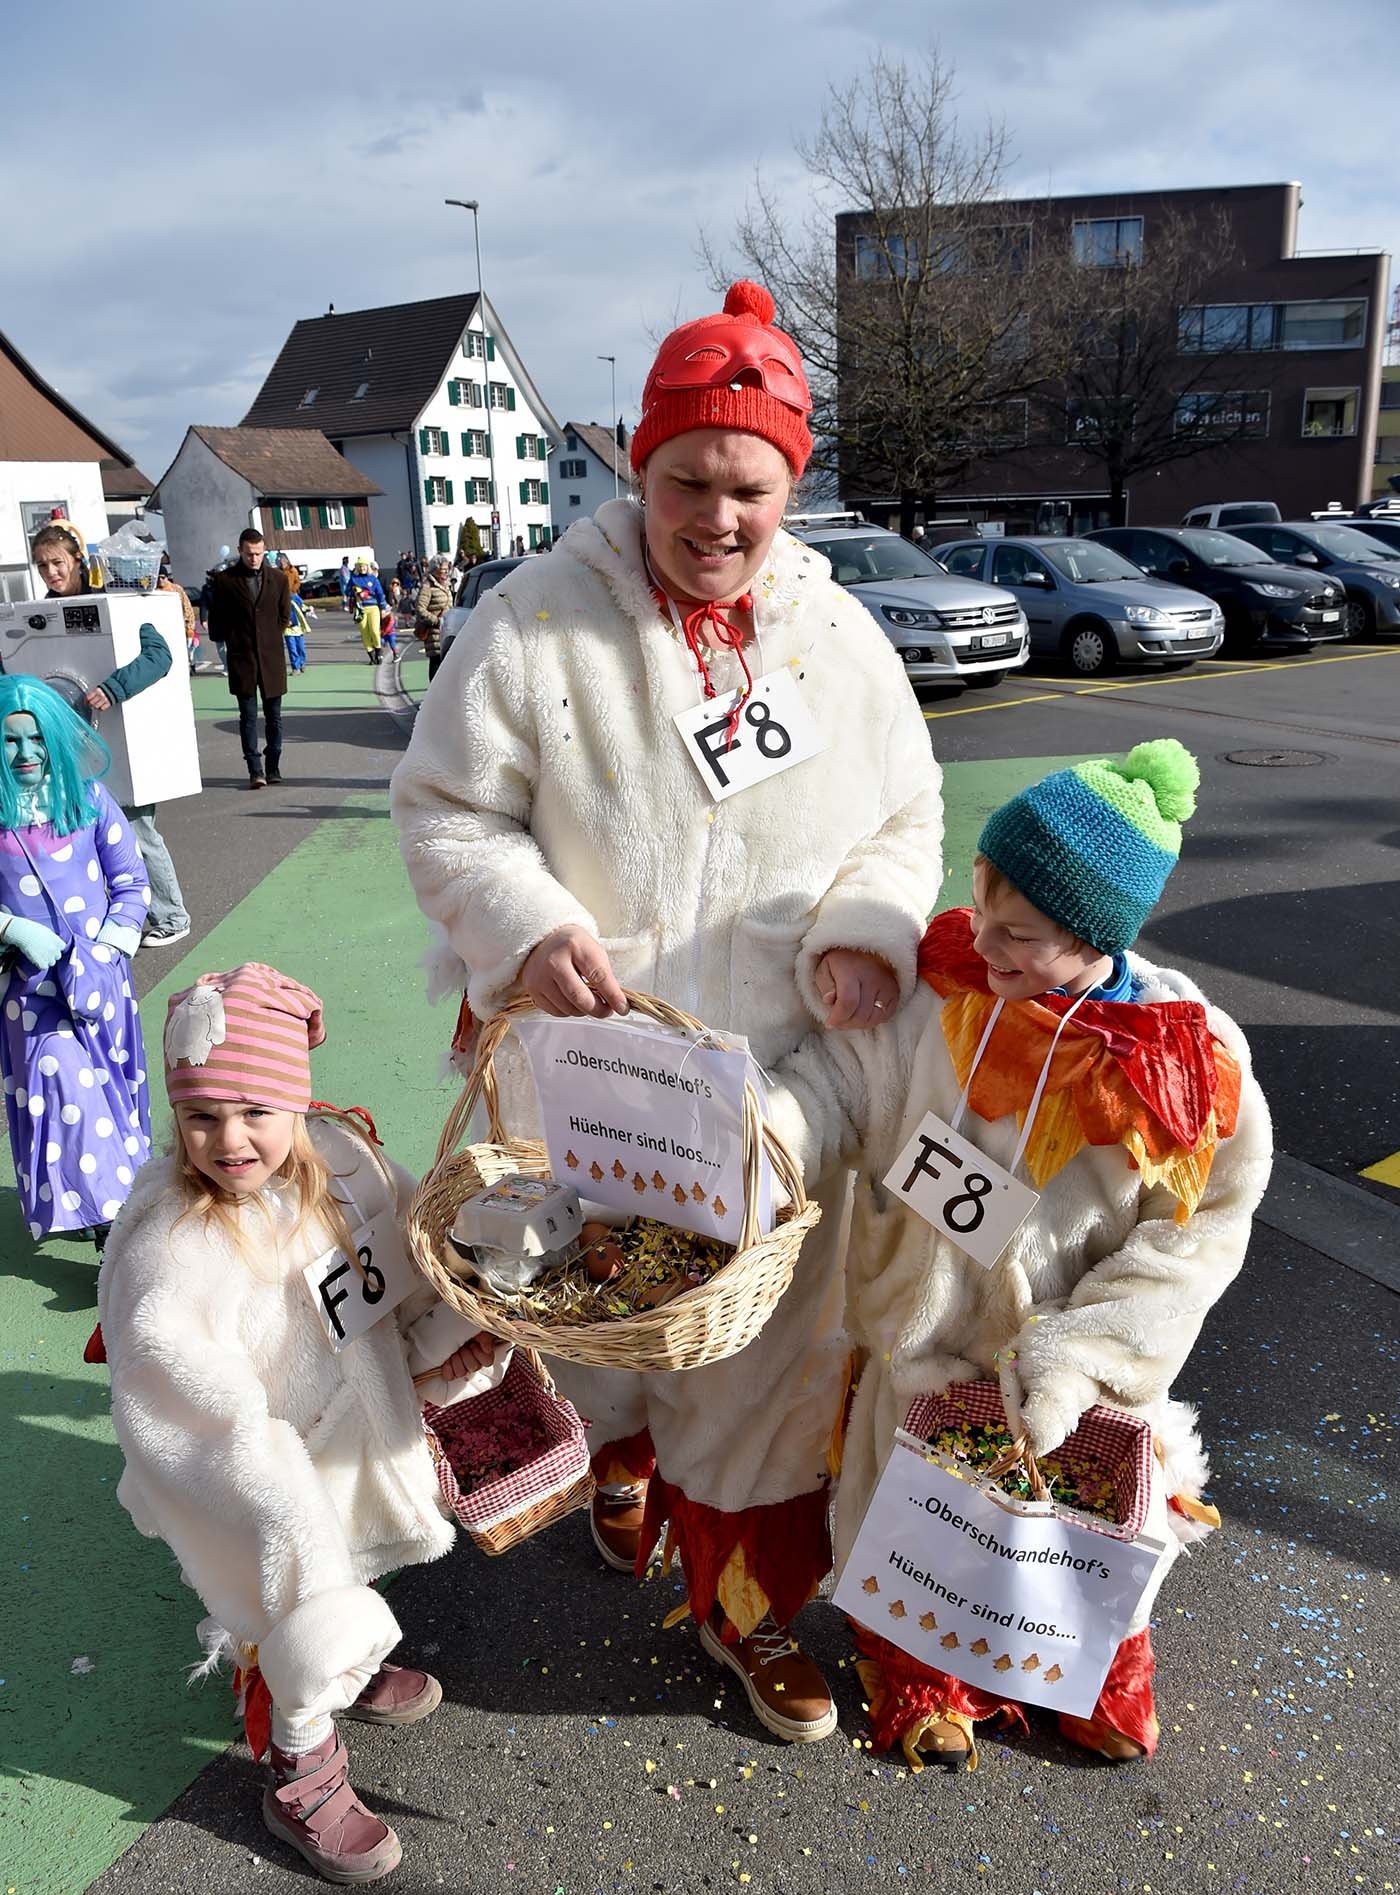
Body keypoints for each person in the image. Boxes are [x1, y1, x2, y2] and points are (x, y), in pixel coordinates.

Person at [392, 279, 944, 1744]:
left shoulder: (843, 643)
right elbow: (447, 810)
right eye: (686, 480)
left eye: (748, 486)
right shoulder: (531, 626)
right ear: (640, 468)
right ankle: (618, 1455)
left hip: (774, 1084)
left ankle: (742, 1610)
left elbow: (907, 815)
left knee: (762, 1366)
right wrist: (528, 922)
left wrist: (865, 932)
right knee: (598, 1323)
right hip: (585, 1074)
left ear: (790, 485)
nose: (717, 516)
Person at [768, 742, 1273, 1769]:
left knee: (1077, 1526)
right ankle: (914, 1662)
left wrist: (1083, 1355)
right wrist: (768, 1135)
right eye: (980, 908)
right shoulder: (944, 995)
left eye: (1019, 934)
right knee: (908, 1520)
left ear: (1095, 934)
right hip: (926, 1337)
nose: (980, 943)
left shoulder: (1185, 1062)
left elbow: (1199, 1233)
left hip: (1070, 1369)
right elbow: (844, 1088)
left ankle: (1089, 1661)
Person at [97, 961, 499, 1882]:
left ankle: (337, 1666)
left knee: (344, 1558)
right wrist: (277, 1496)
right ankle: (300, 1762)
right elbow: (183, 1403)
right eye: (202, 1116)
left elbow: (401, 1278)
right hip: (266, 1476)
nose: (230, 1139)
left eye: (255, 1111)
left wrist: (443, 1356)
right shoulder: (175, 1252)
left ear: (296, 1102)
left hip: (343, 1434)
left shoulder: (345, 1170)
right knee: (297, 1596)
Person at [0, 675, 152, 1247]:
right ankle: (117, 1224)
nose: (24, 754)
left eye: (35, 739)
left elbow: (130, 881)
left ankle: (114, 1203)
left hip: (101, 984)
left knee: (111, 1094)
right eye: (9, 740)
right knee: (64, 1084)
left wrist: (111, 947)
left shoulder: (88, 800)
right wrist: (12, 928)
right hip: (31, 993)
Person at [31, 520, 192, 949]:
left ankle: (171, 914)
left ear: (77, 560)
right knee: (87, 833)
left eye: (57, 562)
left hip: (124, 739)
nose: (51, 573)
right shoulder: (41, 616)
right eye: (42, 565)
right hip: (73, 744)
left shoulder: (117, 599)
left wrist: (115, 687)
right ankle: (120, 916)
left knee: (138, 830)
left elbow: (158, 655)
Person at [208, 528, 292, 790]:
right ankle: (255, 770)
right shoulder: (224, 581)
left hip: (271, 659)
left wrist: (268, 638)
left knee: (274, 717)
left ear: (264, 551)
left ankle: (273, 766)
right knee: (247, 717)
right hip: (241, 659)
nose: (254, 558)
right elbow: (216, 623)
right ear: (240, 551)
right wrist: (234, 639)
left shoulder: (278, 579)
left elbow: (284, 616)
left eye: (258, 553)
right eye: (249, 554)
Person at [413, 556, 453, 684]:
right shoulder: (427, 587)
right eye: (443, 571)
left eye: (447, 570)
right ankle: (434, 698)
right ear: (435, 571)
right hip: (434, 632)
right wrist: (437, 621)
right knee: (436, 663)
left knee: (446, 665)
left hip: (446, 630)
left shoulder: (445, 585)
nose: (446, 573)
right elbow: (420, 609)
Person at [350, 559, 388, 664]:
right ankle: (371, 656)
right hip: (360, 608)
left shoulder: (373, 579)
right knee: (364, 632)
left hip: (373, 607)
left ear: (368, 567)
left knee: (374, 631)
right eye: (360, 566)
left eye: (364, 566)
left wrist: (383, 608)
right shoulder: (354, 579)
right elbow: (347, 591)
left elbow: (380, 594)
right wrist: (354, 590)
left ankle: (379, 652)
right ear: (357, 567)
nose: (362, 568)